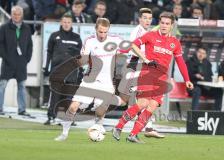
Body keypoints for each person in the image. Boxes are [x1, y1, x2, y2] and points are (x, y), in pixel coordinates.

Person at [113, 11, 193, 143]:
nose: (164, 25)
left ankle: (133, 135)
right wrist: (127, 52)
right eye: (162, 23)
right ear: (159, 23)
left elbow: (181, 62)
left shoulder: (175, 42)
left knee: (152, 107)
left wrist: (187, 79)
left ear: (172, 26)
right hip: (147, 73)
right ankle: (119, 126)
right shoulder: (150, 35)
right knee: (143, 103)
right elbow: (133, 44)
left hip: (161, 79)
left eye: (167, 23)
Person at [54, 18, 126, 141]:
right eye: (100, 32)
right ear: (95, 29)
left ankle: (98, 128)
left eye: (105, 32)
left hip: (106, 82)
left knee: (100, 110)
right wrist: (78, 60)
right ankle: (64, 134)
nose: (102, 35)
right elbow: (83, 61)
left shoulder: (116, 40)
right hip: (89, 80)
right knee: (73, 107)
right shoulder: (89, 41)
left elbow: (130, 47)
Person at [118, 8, 164, 138]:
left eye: (149, 19)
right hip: (135, 67)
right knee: (135, 101)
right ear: (139, 19)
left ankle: (145, 128)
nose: (147, 21)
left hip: (142, 68)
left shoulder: (147, 32)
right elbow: (134, 48)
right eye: (145, 18)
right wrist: (148, 59)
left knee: (140, 100)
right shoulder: (138, 31)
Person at [43, 13, 82, 125]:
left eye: (68, 22)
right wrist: (46, 67)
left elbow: (80, 55)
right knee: (55, 95)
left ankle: (69, 118)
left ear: (71, 23)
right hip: (57, 71)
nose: (66, 24)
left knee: (69, 96)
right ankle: (51, 117)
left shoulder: (77, 37)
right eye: (64, 22)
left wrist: (79, 69)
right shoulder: (54, 36)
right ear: (61, 22)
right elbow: (48, 52)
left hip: (72, 71)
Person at [0, 6, 32, 115]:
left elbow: (29, 45)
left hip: (21, 64)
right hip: (8, 63)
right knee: (2, 85)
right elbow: (0, 45)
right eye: (14, 14)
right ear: (11, 14)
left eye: (18, 14)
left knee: (22, 86)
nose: (16, 16)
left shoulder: (27, 28)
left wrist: (26, 59)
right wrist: (6, 57)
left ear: (21, 15)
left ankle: (22, 110)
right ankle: (0, 108)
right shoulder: (4, 28)